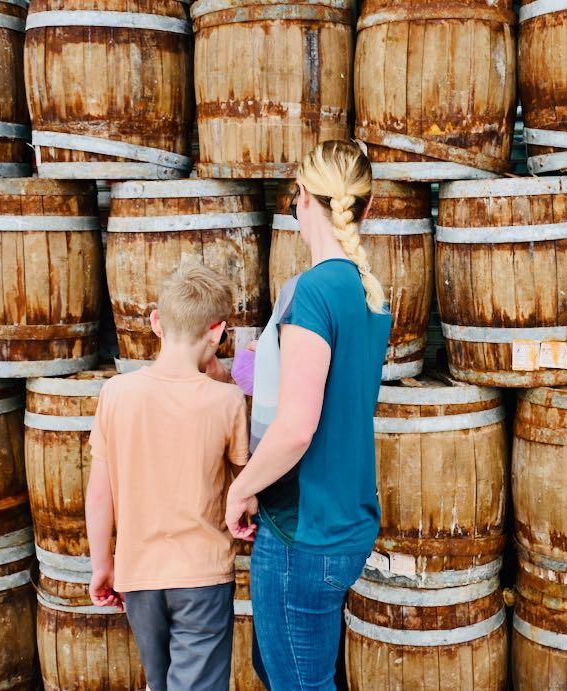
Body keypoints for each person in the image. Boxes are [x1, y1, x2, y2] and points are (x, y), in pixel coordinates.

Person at [222, 140, 392, 690]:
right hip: (346, 520)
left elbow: (296, 427)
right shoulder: (370, 294)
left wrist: (241, 487)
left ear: (301, 201)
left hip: (303, 530)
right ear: (365, 208)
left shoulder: (314, 291)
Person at [85, 264, 249, 691]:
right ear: (217, 333)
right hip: (202, 576)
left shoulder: (115, 394)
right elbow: (244, 484)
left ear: (156, 321)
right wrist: (226, 379)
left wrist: (103, 566)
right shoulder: (227, 400)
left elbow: (100, 494)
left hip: (138, 575)